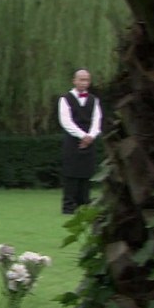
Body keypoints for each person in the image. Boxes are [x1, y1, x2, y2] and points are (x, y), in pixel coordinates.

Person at [58, 68, 102, 214]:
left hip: (90, 141)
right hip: (72, 141)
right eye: (81, 80)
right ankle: (69, 205)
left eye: (87, 80)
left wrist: (91, 136)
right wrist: (82, 136)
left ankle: (84, 204)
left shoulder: (94, 100)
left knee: (86, 172)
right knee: (71, 172)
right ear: (74, 81)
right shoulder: (65, 99)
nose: (84, 83)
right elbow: (66, 121)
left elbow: (97, 120)